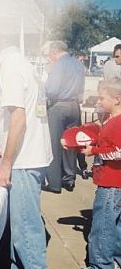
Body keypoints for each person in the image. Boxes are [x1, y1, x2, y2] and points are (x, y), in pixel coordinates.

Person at [0, 30, 53, 269]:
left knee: (26, 234)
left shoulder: (10, 67)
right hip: (30, 154)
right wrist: (4, 141)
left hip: (24, 159)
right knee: (22, 230)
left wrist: (6, 163)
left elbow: (19, 118)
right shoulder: (21, 62)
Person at [74, 78, 121, 269]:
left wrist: (93, 151)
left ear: (117, 98)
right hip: (113, 184)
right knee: (115, 228)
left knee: (102, 229)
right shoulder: (112, 119)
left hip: (111, 184)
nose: (99, 101)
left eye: (102, 98)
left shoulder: (117, 122)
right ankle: (115, 260)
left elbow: (118, 151)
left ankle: (101, 265)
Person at [44, 41, 85, 193]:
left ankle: (54, 183)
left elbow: (52, 90)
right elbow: (81, 88)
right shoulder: (78, 64)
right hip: (74, 106)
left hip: (59, 105)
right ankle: (69, 179)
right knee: (70, 143)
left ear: (54, 52)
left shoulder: (58, 65)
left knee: (54, 144)